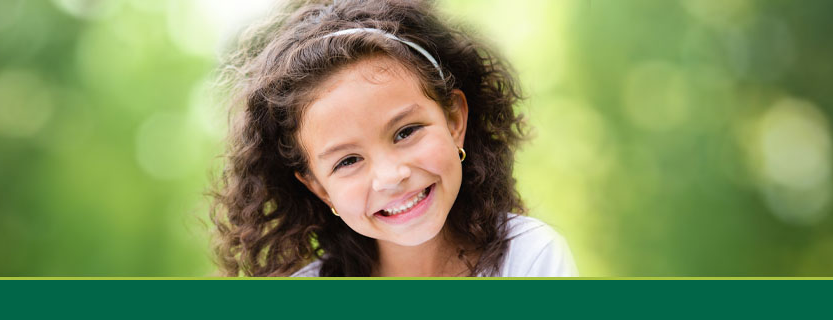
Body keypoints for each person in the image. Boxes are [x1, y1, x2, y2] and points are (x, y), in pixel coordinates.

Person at [209, 0, 576, 277]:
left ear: (453, 121)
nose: (390, 175)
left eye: (405, 132)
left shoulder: (528, 258)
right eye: (348, 161)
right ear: (319, 187)